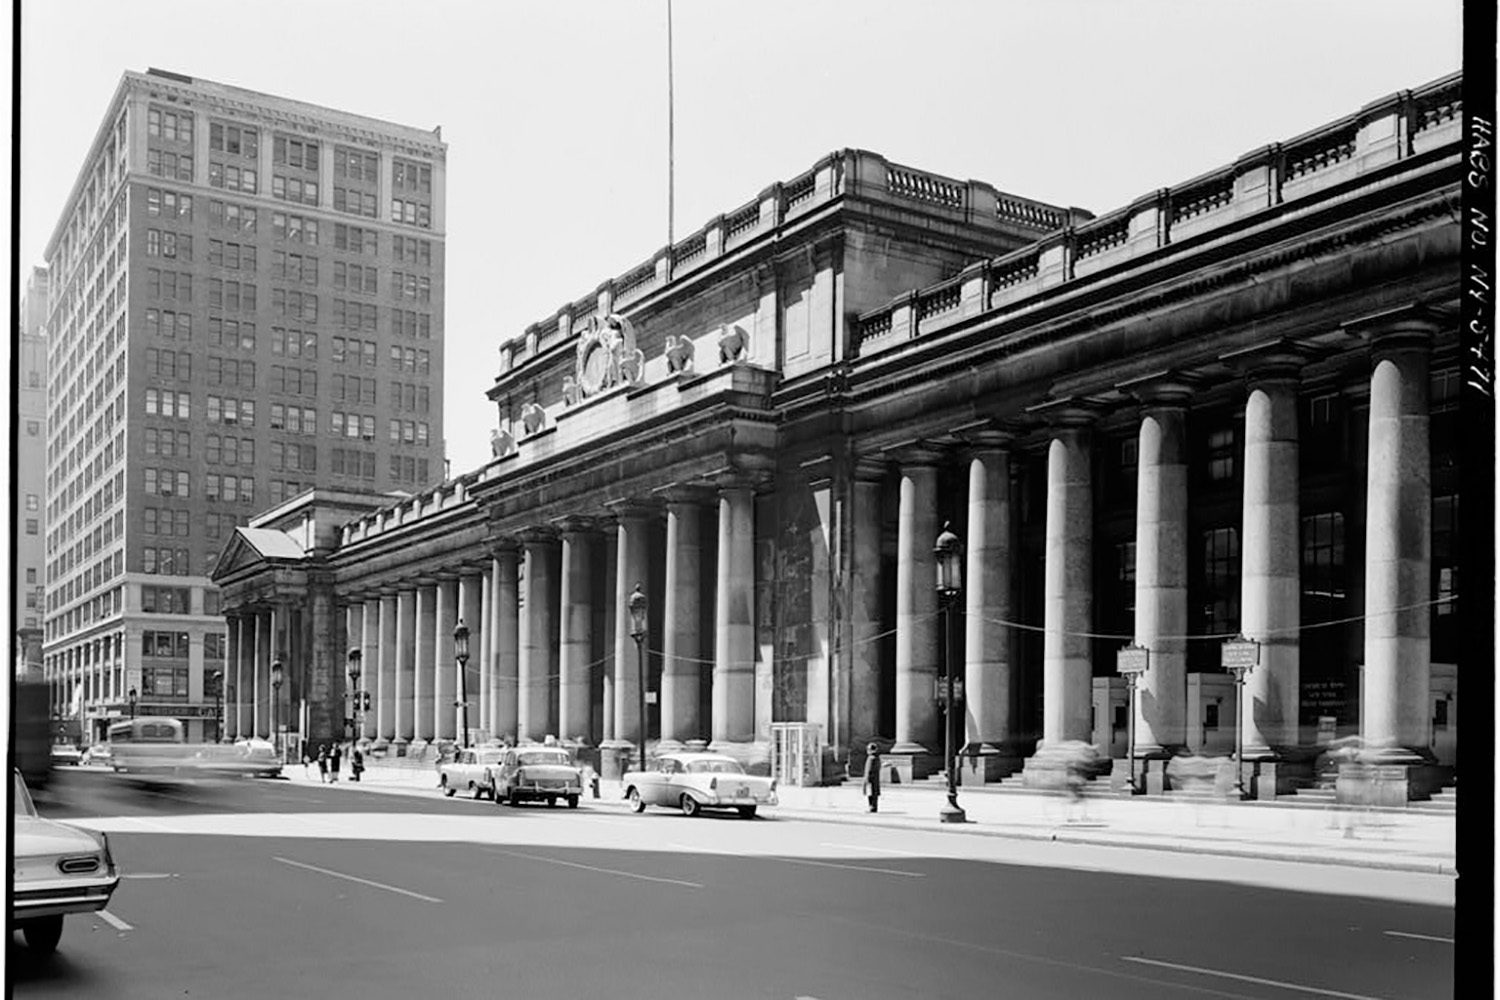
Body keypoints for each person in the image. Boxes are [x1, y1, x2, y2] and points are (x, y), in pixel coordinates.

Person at [862, 742, 882, 813]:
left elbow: (869, 770)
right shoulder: (877, 758)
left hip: (870, 779)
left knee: (870, 793)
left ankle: (872, 807)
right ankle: (874, 807)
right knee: (874, 793)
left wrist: (867, 779)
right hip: (875, 779)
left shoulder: (871, 758)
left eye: (868, 749)